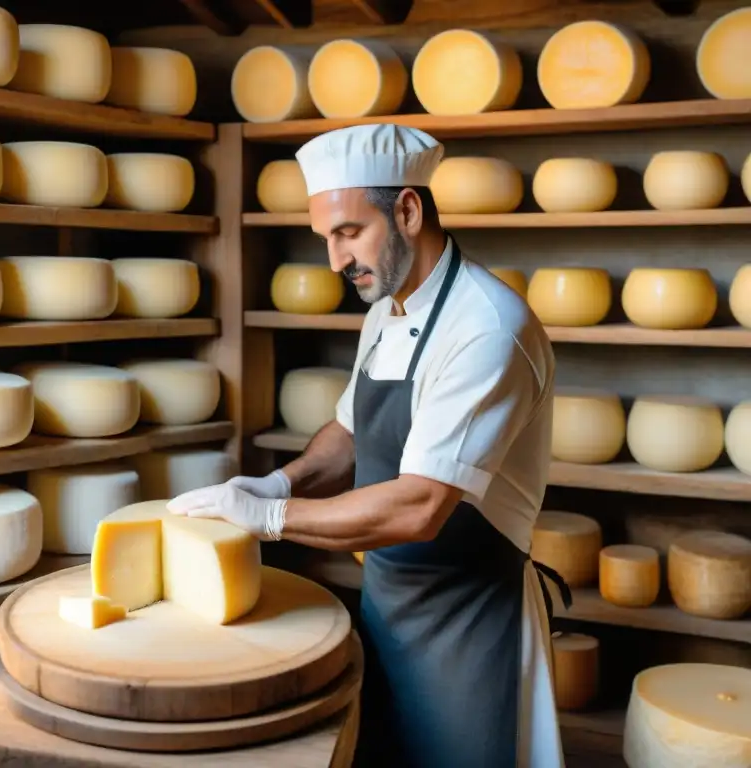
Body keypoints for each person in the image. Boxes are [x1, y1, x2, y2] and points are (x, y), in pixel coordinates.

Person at [167, 124, 571, 767]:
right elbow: (350, 432)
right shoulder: (387, 308)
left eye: (348, 232)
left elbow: (419, 507)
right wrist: (282, 483)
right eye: (325, 238)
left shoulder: (488, 329)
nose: (334, 261)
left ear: (408, 210)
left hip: (469, 623)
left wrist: (272, 519)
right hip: (387, 605)